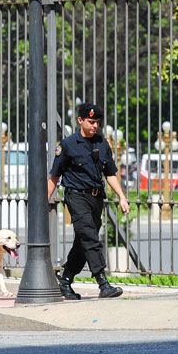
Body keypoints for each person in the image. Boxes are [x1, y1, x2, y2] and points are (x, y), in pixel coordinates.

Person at [48, 103, 131, 300]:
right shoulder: (68, 145)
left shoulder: (102, 143)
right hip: (76, 196)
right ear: (80, 121)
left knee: (84, 241)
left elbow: (110, 173)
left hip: (96, 198)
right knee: (90, 237)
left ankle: (66, 280)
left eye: (97, 123)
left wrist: (121, 196)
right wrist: (43, 202)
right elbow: (54, 176)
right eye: (91, 122)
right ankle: (103, 282)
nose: (95, 126)